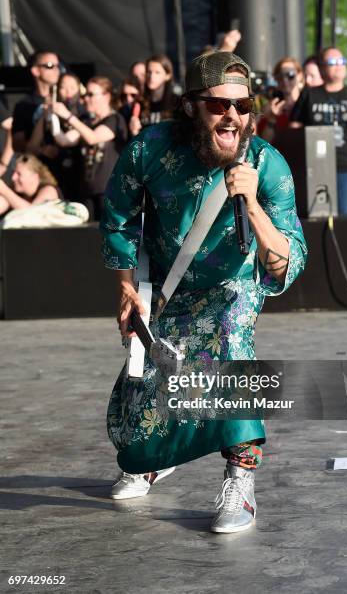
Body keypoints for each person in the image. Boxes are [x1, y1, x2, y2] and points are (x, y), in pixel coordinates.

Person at [100, 51, 307, 534]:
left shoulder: (266, 165)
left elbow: (286, 260)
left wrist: (251, 203)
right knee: (150, 390)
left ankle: (240, 479)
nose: (232, 115)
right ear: (191, 106)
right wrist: (129, 290)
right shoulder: (149, 149)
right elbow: (119, 218)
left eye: (242, 104)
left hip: (232, 285)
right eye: (218, 104)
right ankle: (158, 459)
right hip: (170, 284)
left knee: (229, 342)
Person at [290, 46, 347, 214]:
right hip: (316, 166)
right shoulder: (309, 95)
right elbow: (293, 128)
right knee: (317, 217)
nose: (339, 65)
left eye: (342, 61)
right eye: (333, 62)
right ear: (322, 67)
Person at [50, 76, 128, 220]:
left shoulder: (115, 119)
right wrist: (52, 117)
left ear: (106, 96)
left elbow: (92, 137)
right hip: (87, 190)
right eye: (85, 95)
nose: (86, 99)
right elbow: (64, 140)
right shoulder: (87, 122)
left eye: (91, 94)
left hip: (109, 190)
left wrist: (67, 115)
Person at [27, 72, 87, 200]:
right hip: (52, 175)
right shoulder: (48, 113)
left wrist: (64, 115)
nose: (68, 92)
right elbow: (31, 147)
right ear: (57, 90)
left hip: (78, 175)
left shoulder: (84, 113)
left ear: (79, 89)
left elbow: (65, 141)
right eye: (63, 87)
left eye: (72, 87)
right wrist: (43, 149)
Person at [12, 50, 61, 155]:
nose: (56, 70)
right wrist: (41, 150)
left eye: (58, 66)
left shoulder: (64, 99)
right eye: (49, 65)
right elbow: (17, 143)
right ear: (35, 71)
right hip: (38, 165)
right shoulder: (24, 105)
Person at [257, 57, 304, 142]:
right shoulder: (269, 107)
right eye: (280, 76)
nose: (285, 80)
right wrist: (272, 119)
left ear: (300, 76)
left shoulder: (308, 103)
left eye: (290, 75)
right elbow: (265, 142)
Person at [141, 54, 178, 127]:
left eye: (157, 72)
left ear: (168, 76)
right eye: (149, 72)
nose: (151, 76)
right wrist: (134, 131)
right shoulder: (141, 102)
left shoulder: (176, 102)